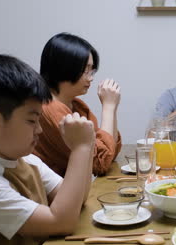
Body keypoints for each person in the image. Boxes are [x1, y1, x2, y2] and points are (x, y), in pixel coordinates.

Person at [0, 55, 95, 245]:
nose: (39, 129)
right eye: (31, 120)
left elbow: (78, 197)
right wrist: (81, 148)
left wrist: (87, 143)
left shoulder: (24, 159)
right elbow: (62, 221)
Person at [34, 33, 121, 176]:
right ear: (64, 68)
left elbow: (109, 152)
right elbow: (100, 164)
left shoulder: (76, 105)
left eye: (92, 70)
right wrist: (108, 108)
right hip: (53, 195)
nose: (91, 78)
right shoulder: (51, 108)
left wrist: (112, 107)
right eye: (86, 70)